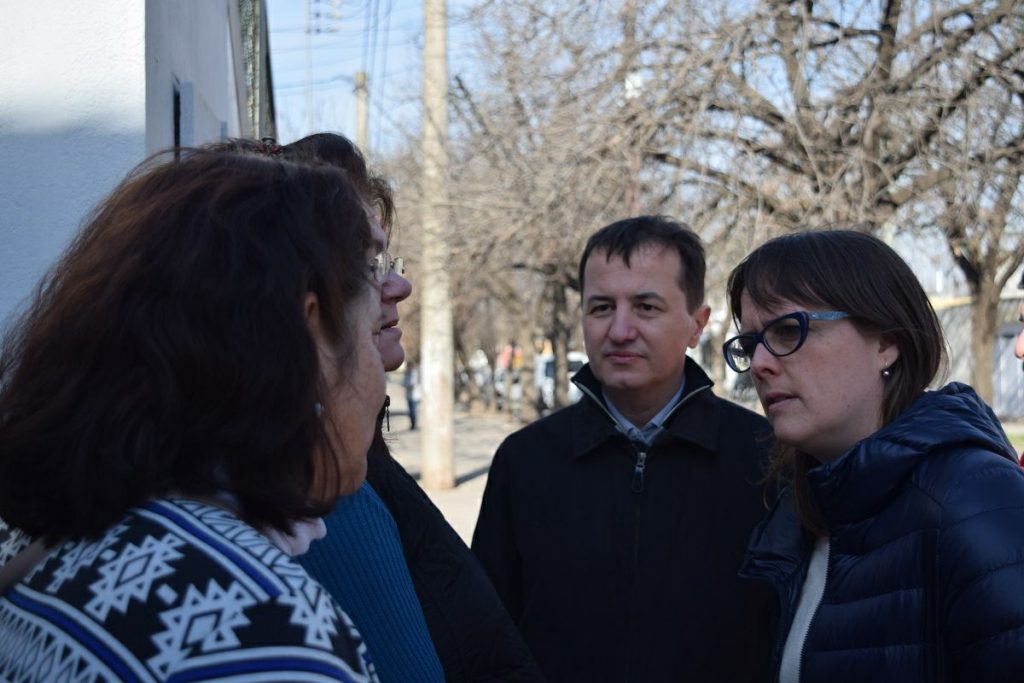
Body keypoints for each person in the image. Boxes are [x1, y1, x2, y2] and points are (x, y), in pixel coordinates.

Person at [0, 143, 385, 680]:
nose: (380, 374)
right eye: (370, 333)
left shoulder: (52, 554)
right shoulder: (268, 635)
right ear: (308, 335)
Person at [280, 133, 543, 682]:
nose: (398, 286)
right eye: (365, 263)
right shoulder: (314, 496)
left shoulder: (348, 465)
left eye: (383, 257)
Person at [472, 215, 774, 682]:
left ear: (697, 325)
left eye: (646, 307)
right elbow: (488, 638)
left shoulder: (766, 460)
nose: (619, 330)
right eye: (600, 308)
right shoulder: (526, 461)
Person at [724, 229, 1024, 682]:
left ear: (886, 341)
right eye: (750, 345)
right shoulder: (796, 509)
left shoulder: (973, 498)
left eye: (789, 330)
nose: (761, 364)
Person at [404, 361, 421, 430]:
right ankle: (412, 424)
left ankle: (414, 425)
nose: (408, 368)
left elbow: (414, 384)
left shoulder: (415, 373)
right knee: (410, 412)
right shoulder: (406, 374)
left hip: (415, 396)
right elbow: (404, 383)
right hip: (409, 396)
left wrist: (410, 385)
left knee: (413, 411)